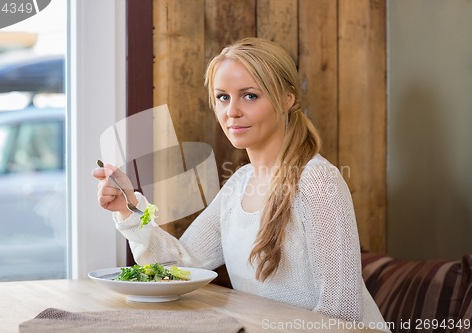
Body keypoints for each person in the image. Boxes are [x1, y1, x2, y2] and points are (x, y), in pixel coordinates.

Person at [93, 37, 388, 328]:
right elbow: (178, 267)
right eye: (223, 97)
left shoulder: (318, 180)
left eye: (250, 95)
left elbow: (342, 312)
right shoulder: (238, 185)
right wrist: (129, 208)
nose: (231, 111)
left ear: (287, 99)